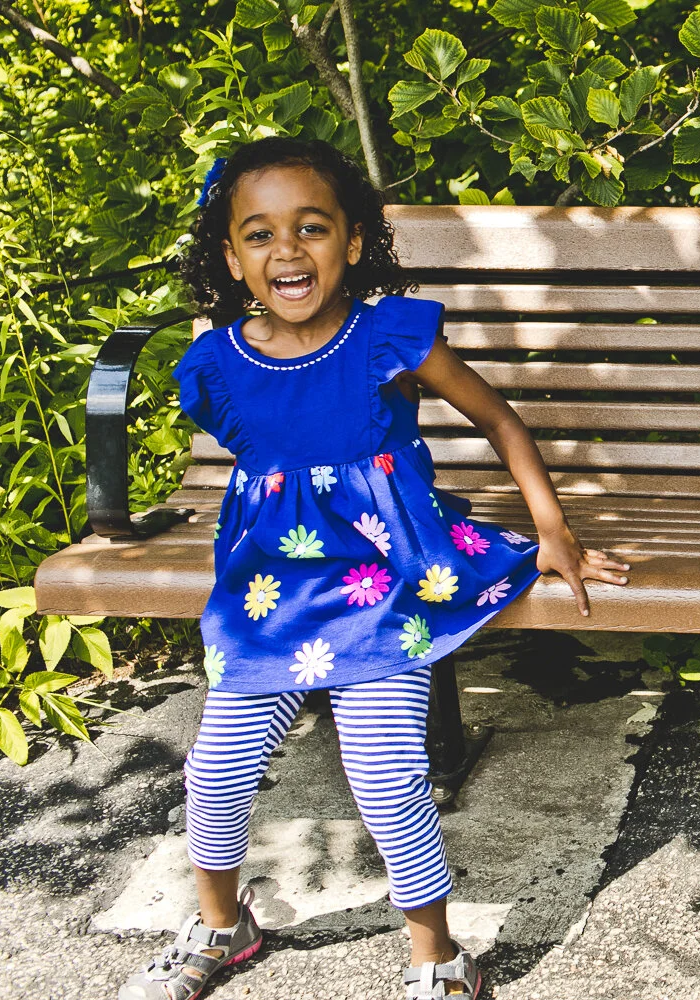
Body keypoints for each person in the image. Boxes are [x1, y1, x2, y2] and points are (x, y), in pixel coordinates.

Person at [119, 137, 630, 1000]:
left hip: (389, 592)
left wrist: (553, 529)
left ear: (353, 243)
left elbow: (501, 421)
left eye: (312, 228)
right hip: (269, 602)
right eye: (259, 234)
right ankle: (219, 925)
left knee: (387, 781)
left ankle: (437, 958)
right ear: (231, 256)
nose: (288, 251)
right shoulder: (217, 368)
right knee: (212, 773)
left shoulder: (384, 337)